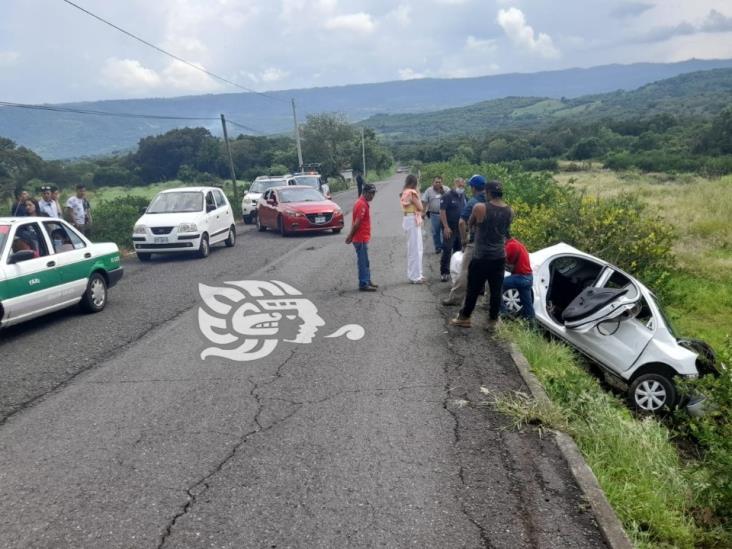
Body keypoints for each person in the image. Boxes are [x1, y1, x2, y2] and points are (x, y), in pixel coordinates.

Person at [450, 180, 513, 331]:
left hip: (481, 256)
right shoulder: (510, 210)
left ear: (488, 192)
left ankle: (465, 318)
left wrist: (465, 240)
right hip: (499, 257)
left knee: (473, 288)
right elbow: (505, 231)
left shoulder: (480, 207)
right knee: (496, 290)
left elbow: (470, 224)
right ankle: (492, 322)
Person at [441, 175, 487, 305]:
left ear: (473, 187)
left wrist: (464, 240)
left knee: (465, 269)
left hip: (475, 241)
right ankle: (485, 297)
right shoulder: (491, 200)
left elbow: (462, 222)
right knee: (488, 270)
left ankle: (455, 298)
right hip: (491, 242)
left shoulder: (473, 202)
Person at [345, 183, 378, 292]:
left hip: (363, 237)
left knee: (366, 261)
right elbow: (357, 223)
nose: (372, 196)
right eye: (370, 193)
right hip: (360, 238)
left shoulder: (363, 203)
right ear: (364, 192)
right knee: (363, 262)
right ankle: (363, 283)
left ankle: (367, 280)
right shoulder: (361, 204)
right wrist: (350, 236)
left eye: (373, 193)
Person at [439, 177, 467, 282]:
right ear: (454, 185)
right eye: (460, 186)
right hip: (449, 228)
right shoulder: (447, 196)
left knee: (458, 250)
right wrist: (446, 227)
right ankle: (444, 272)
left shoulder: (463, 195)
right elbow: (442, 212)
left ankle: (455, 272)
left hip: (460, 228)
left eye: (463, 186)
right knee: (447, 249)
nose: (461, 188)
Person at [502, 236, 535, 320]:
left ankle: (502, 312)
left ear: (504, 238)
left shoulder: (510, 245)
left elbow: (501, 259)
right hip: (528, 278)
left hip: (521, 277)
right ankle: (532, 324)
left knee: (498, 284)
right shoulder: (517, 244)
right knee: (528, 305)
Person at [400, 174, 425, 284]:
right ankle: (416, 276)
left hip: (408, 219)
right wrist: (418, 194)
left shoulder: (404, 192)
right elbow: (420, 207)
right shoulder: (412, 193)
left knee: (412, 248)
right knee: (416, 249)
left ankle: (414, 274)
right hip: (413, 219)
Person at [421, 176, 446, 254]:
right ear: (433, 183)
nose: (438, 183)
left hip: (445, 214)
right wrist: (423, 212)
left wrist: (443, 193)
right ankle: (438, 247)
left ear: (442, 182)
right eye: (436, 182)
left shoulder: (446, 189)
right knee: (435, 231)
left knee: (445, 231)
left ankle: (444, 247)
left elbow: (451, 198)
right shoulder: (429, 190)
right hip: (434, 214)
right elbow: (424, 201)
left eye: (439, 182)